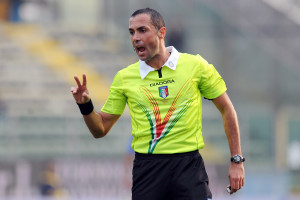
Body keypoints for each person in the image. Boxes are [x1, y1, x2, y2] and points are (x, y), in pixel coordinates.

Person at [71, 8, 245, 200]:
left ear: (162, 33)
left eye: (142, 30)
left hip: (188, 167)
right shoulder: (125, 77)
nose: (135, 37)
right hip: (148, 170)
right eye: (132, 32)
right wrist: (85, 105)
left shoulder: (195, 66)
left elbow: (226, 108)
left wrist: (236, 161)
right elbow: (100, 129)